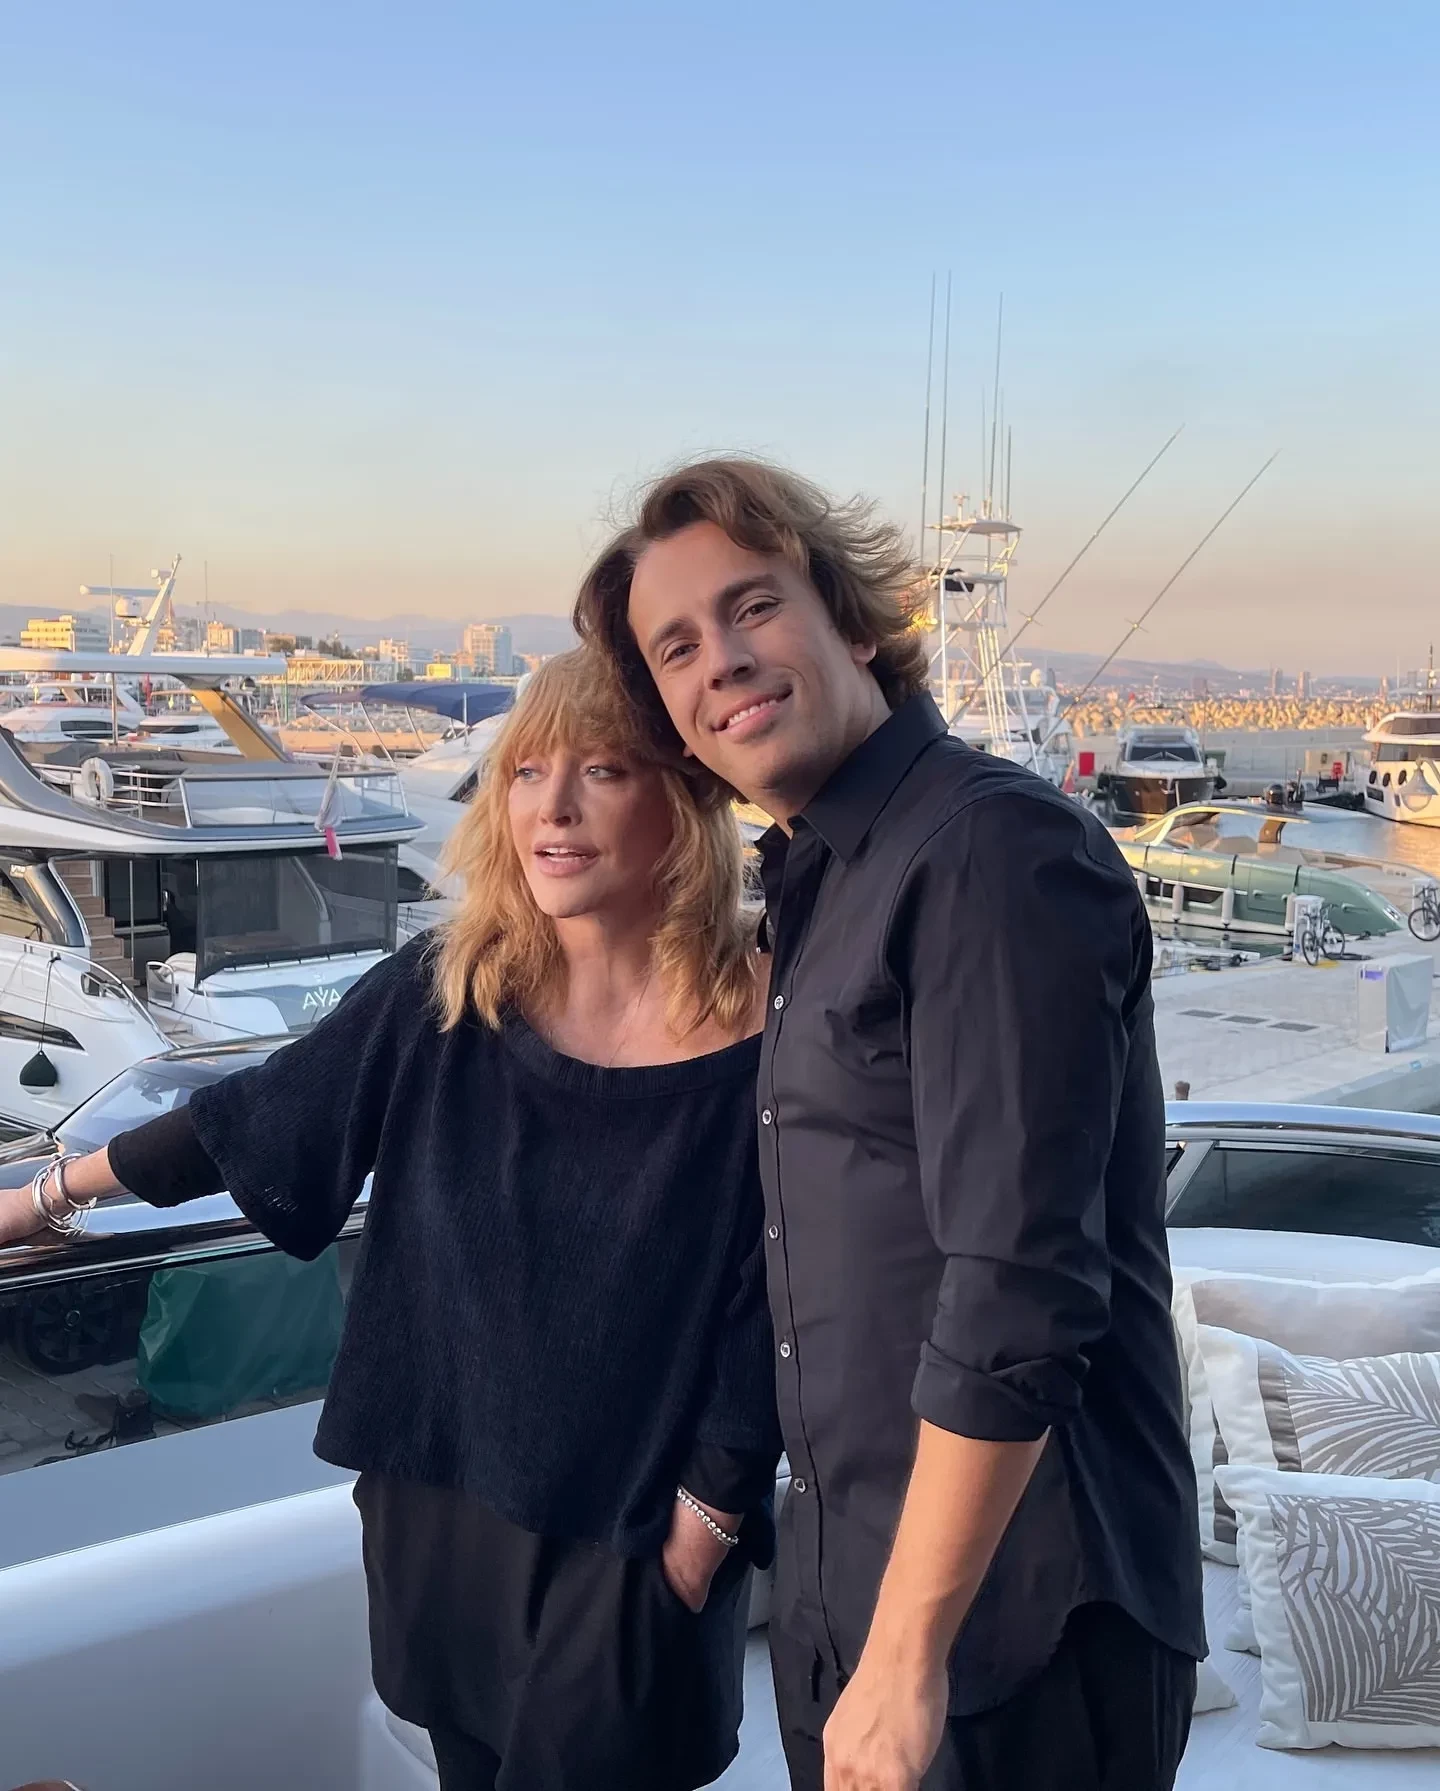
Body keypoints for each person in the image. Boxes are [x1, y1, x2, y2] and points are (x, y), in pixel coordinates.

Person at [0, 647, 781, 1791]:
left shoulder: (770, 1030)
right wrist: (42, 1197)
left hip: (634, 1528)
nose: (552, 809)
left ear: (685, 797)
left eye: (604, 770)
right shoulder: (447, 992)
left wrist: (707, 1521)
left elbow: (785, 1297)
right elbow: (249, 1119)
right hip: (441, 1501)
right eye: (526, 772)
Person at [575, 458, 1206, 1791]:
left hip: (1018, 1629)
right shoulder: (821, 877)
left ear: (854, 622)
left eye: (753, 606)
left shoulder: (988, 853)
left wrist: (909, 1654)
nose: (721, 661)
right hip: (859, 1598)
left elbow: (1019, 1288)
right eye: (676, 647)